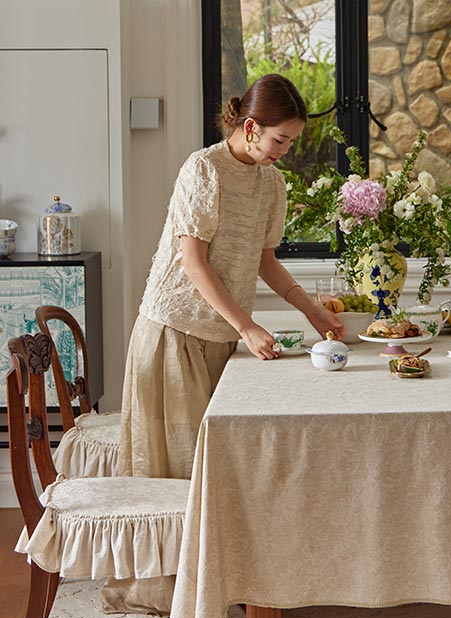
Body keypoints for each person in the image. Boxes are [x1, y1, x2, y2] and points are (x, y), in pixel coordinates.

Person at [119, 72, 345, 480]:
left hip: (222, 336)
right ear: (251, 127)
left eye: (292, 141)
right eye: (280, 140)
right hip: (175, 334)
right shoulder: (204, 169)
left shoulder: (272, 183)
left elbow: (265, 261)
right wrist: (247, 326)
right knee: (181, 476)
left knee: (221, 468)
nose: (286, 151)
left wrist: (312, 311)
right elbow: (193, 262)